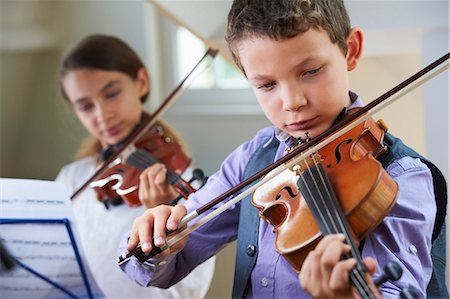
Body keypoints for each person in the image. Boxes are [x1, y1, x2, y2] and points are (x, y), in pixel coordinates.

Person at [118, 1, 446, 298]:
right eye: (267, 85)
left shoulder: (401, 176)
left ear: (350, 50)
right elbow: (164, 267)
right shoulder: (255, 156)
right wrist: (157, 240)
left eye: (311, 71)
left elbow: (397, 290)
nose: (293, 103)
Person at [55, 34, 215, 298]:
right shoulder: (73, 178)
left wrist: (158, 219)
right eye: (85, 107)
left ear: (141, 82)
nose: (102, 115)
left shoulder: (178, 179)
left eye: (112, 94)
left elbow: (188, 290)